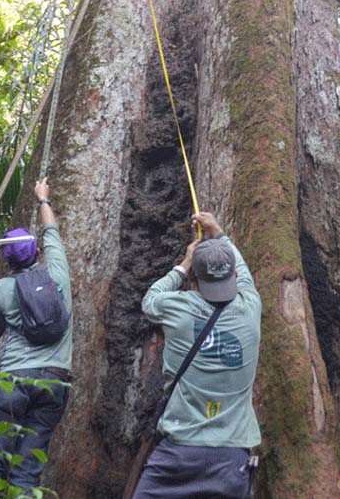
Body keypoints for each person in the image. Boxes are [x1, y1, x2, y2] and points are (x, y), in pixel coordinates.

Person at [133, 212, 261, 499]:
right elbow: (243, 272)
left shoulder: (178, 308)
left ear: (194, 277)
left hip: (177, 456)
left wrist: (185, 263)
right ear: (234, 276)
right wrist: (219, 233)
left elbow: (149, 300)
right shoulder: (250, 307)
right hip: (231, 460)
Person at [0, 177, 73, 496]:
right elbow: (53, 233)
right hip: (55, 383)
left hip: (13, 381)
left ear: (8, 260)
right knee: (27, 472)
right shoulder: (57, 274)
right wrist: (43, 198)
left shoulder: (4, 289)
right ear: (37, 251)